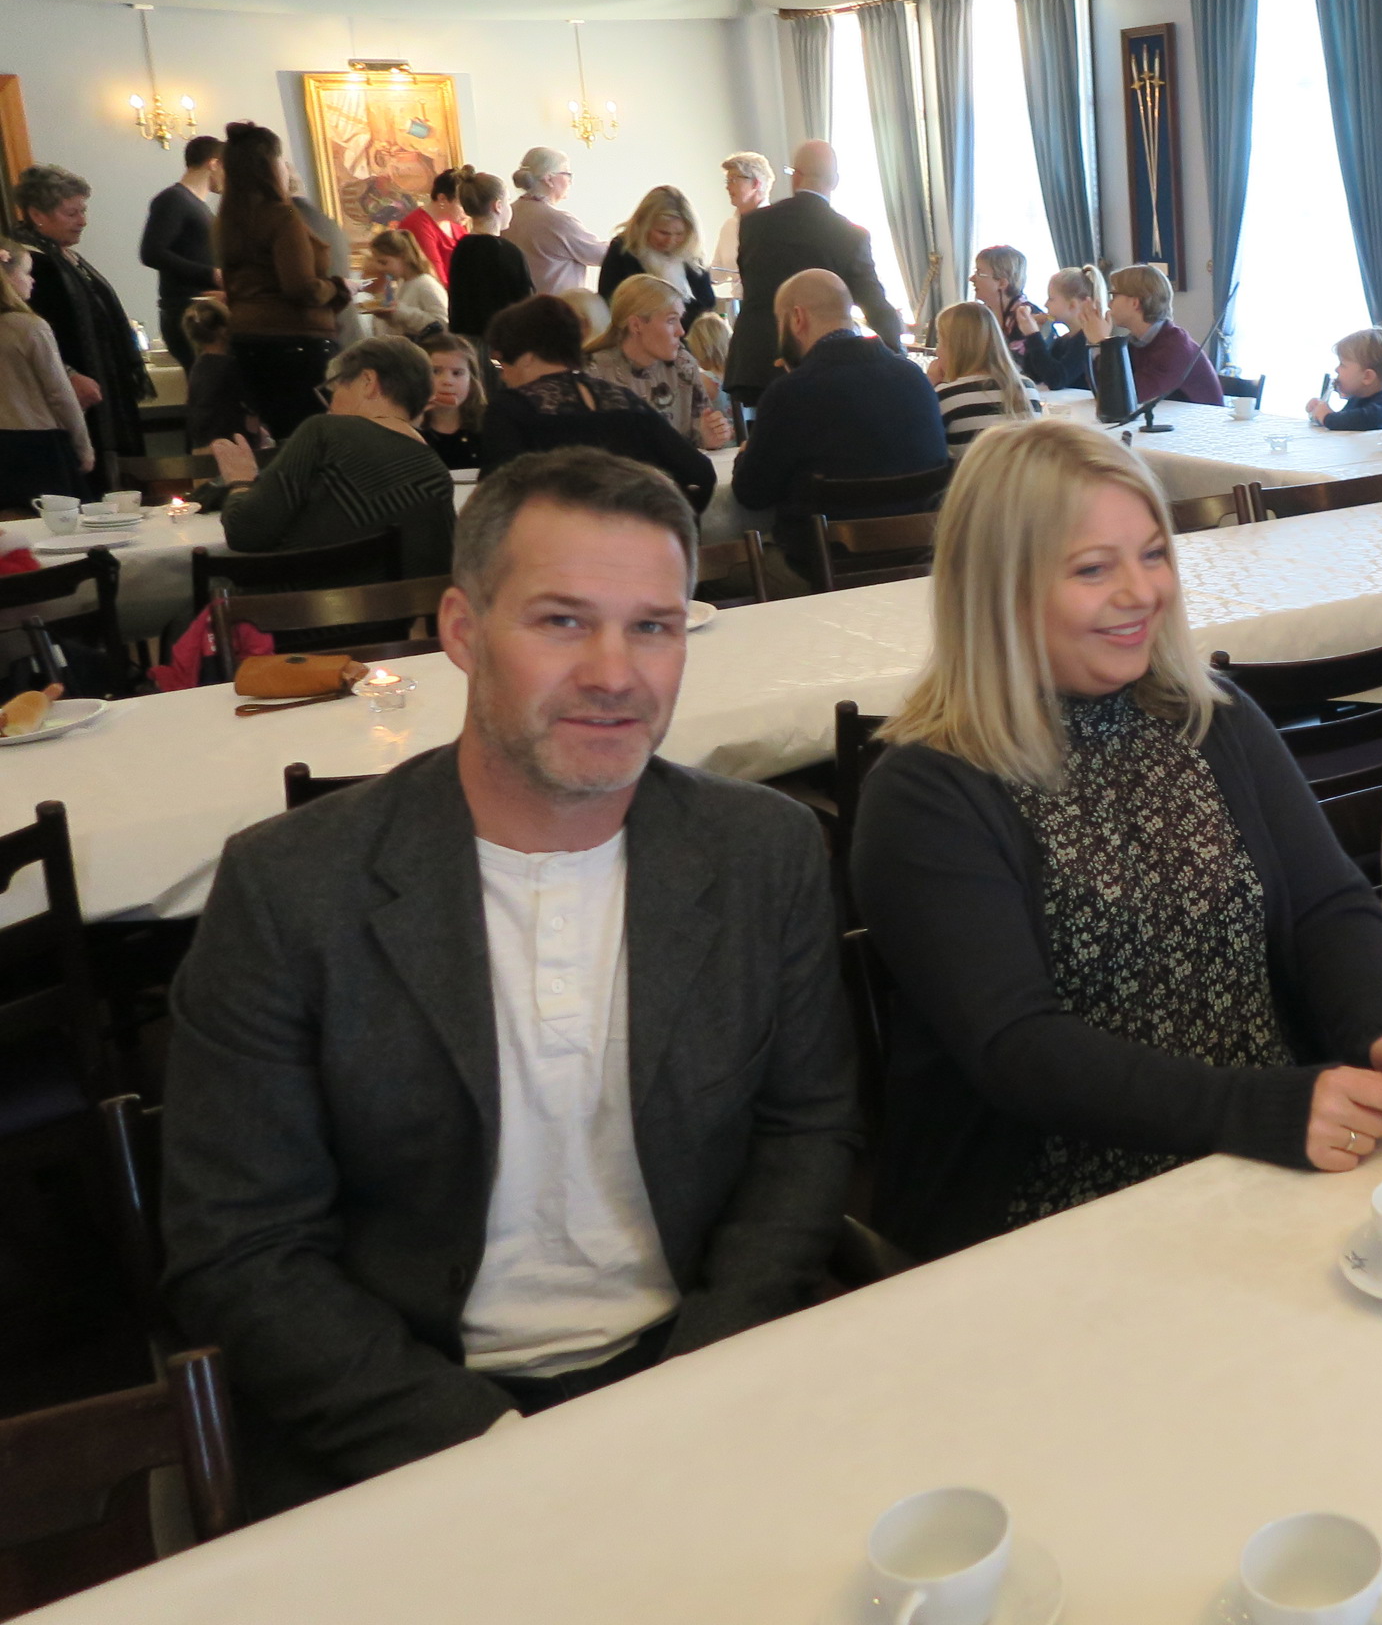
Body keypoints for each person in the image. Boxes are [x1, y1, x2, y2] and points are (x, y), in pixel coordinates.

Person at [162, 448, 859, 1512]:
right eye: (562, 621)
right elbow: (241, 1246)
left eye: (654, 627)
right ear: (461, 630)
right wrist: (483, 1446)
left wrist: (705, 1375)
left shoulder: (764, 851)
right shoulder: (291, 890)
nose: (615, 673)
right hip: (411, 1414)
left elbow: (807, 1131)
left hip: (702, 1367)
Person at [849, 419, 1382, 1257]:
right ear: (999, 590)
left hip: (1269, 1158)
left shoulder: (1211, 719)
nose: (1141, 592)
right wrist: (1266, 1108)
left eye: (1152, 554)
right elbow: (1018, 1050)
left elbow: (1327, 905)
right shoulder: (928, 791)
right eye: (1093, 569)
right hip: (1051, 1215)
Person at [202, 335, 457, 578]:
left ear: (368, 381)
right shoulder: (435, 471)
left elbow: (245, 533)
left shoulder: (324, 432)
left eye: (334, 390)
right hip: (390, 609)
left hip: (297, 605)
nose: (331, 406)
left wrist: (240, 480)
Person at [730, 269, 946, 554]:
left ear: (797, 318)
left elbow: (752, 494)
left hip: (822, 568)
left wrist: (745, 455)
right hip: (920, 559)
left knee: (736, 567)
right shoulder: (914, 378)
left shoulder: (790, 393)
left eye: (779, 322)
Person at [480, 296, 714, 510]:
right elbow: (700, 474)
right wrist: (668, 526)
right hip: (632, 538)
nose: (503, 375)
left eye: (502, 363)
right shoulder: (626, 401)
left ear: (526, 358)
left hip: (556, 541)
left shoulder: (510, 409)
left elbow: (496, 498)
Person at [720, 141, 901, 404]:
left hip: (754, 365)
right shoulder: (849, 235)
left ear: (796, 176)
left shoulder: (754, 223)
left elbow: (749, 283)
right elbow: (873, 303)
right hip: (819, 370)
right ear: (835, 181)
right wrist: (897, 354)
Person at [212, 124, 347, 444]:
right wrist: (339, 287)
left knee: (283, 439)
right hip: (296, 343)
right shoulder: (281, 216)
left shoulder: (227, 220)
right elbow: (300, 287)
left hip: (248, 342)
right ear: (269, 166)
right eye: (281, 159)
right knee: (316, 440)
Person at [14, 162, 148, 472]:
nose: (83, 221)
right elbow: (35, 331)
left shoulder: (66, 256)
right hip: (69, 388)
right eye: (71, 213)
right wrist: (70, 373)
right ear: (37, 214)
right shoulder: (29, 263)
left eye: (83, 211)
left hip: (100, 382)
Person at [586, 276, 731, 453]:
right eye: (671, 320)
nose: (681, 331)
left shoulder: (683, 366)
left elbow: (698, 438)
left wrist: (709, 437)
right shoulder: (593, 373)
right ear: (636, 325)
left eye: (680, 319)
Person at [0, 236, 90, 508]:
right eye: (26, 273)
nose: (32, 280)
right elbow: (59, 392)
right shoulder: (30, 327)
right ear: (7, 278)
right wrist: (83, 445)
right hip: (37, 442)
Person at [138, 133, 222, 367]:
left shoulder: (196, 205)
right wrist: (212, 274)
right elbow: (152, 253)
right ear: (213, 164)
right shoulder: (173, 199)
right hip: (187, 313)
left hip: (202, 310)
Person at [597, 186, 716, 331]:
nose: (670, 241)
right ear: (643, 225)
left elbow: (707, 303)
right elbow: (609, 302)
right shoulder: (623, 250)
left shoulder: (692, 256)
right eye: (663, 233)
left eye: (679, 234)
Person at [1106, 262, 1220, 407]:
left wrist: (1100, 341)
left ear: (1135, 302)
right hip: (1166, 418)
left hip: (1202, 421)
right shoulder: (1135, 342)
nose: (1109, 304)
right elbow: (1103, 391)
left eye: (1113, 296)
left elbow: (1125, 397)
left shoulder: (1175, 347)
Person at [928, 300, 1034, 454]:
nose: (936, 351)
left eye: (940, 342)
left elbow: (925, 450)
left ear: (956, 348)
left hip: (969, 470)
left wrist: (930, 386)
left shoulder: (947, 395)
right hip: (1017, 470)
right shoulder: (1028, 389)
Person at [446, 172, 535, 344]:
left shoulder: (461, 247)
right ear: (498, 206)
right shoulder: (508, 252)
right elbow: (525, 305)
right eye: (508, 201)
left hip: (466, 343)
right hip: (502, 343)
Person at [506, 148, 607, 296]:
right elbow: (604, 255)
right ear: (549, 179)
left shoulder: (508, 213)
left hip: (520, 306)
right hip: (557, 306)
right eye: (567, 173)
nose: (570, 181)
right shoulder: (558, 221)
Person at [178, 294, 256, 453]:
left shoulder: (198, 366)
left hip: (203, 442)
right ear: (224, 329)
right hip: (231, 444)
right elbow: (250, 406)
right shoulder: (230, 366)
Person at [1305, 326, 1382, 431]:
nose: (1336, 369)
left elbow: (1362, 421)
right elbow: (1345, 426)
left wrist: (1327, 417)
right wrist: (1319, 414)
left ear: (1367, 377)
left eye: (1342, 364)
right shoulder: (1357, 398)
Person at [1028, 265, 1104, 393]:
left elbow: (1057, 379)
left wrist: (1032, 334)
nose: (1046, 304)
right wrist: (1037, 335)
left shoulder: (1086, 339)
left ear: (1072, 304)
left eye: (1051, 299)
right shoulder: (1063, 340)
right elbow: (1037, 375)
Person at [708, 151, 771, 297]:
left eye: (734, 180)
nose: (728, 187)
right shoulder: (730, 226)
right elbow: (717, 273)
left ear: (755, 183)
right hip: (740, 305)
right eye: (727, 181)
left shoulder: (776, 224)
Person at [363, 229, 449, 336]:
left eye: (384, 262)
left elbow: (442, 325)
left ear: (403, 257)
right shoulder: (402, 284)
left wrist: (400, 312)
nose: (379, 268)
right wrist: (388, 317)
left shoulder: (426, 285)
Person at [419, 333, 486, 470]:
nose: (447, 381)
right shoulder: (407, 426)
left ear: (472, 380)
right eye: (435, 371)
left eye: (457, 373)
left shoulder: (489, 424)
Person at [970, 245, 1049, 358]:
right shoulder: (980, 314)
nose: (971, 279)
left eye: (979, 273)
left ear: (1002, 283)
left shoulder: (1028, 317)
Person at [392, 167, 463, 288]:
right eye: (462, 204)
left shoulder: (456, 223)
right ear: (442, 199)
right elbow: (436, 280)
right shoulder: (417, 225)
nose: (468, 209)